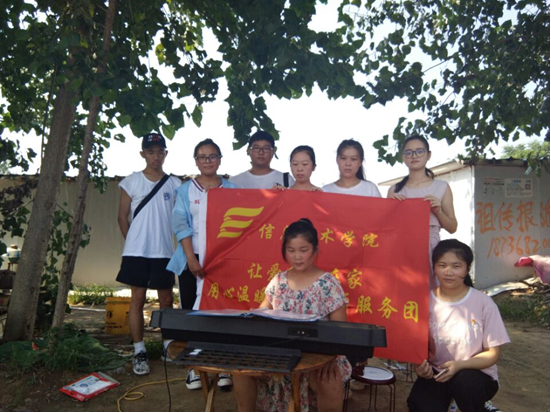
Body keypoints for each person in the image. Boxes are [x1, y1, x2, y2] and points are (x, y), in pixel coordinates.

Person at [232, 218, 351, 412]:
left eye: (303, 250)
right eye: (291, 250)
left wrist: (331, 356)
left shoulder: (328, 284)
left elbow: (340, 330)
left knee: (329, 380)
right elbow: (263, 311)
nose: (297, 256)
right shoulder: (278, 281)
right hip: (279, 353)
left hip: (318, 355)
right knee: (241, 370)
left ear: (315, 250)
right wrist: (253, 315)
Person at [407, 239, 510, 412]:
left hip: (475, 374)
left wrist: (459, 365)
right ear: (434, 267)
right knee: (418, 404)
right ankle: (450, 401)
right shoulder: (424, 302)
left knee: (465, 385)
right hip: (438, 372)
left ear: (467, 269)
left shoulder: (483, 303)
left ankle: (480, 405)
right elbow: (417, 345)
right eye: (442, 265)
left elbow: (492, 354)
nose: (448, 272)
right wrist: (419, 366)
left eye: (456, 266)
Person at [167, 138, 237, 390]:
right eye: (202, 157)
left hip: (222, 260)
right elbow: (180, 225)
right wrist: (190, 258)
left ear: (220, 159)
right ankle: (194, 367)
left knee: (223, 311)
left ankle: (223, 365)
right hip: (192, 257)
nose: (208, 161)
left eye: (212, 156)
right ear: (196, 161)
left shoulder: (232, 189)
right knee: (191, 311)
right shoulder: (185, 190)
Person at [116, 132, 182, 376]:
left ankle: (167, 345)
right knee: (137, 299)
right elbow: (122, 216)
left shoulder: (175, 184)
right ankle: (139, 350)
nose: (156, 156)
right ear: (142, 154)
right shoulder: (131, 181)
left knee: (166, 300)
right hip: (136, 253)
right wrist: (133, 241)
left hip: (163, 250)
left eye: (160, 152)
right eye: (151, 152)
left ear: (166, 154)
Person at [387, 135, 457, 289]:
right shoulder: (395, 190)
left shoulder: (441, 187)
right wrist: (392, 208)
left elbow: (452, 227)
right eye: (408, 152)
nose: (414, 156)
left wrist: (438, 211)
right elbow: (387, 229)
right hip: (402, 248)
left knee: (432, 293)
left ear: (428, 155)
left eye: (419, 151)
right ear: (403, 157)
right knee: (404, 291)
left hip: (431, 247)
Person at [229, 130, 295, 189]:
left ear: (273, 152)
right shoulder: (234, 182)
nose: (261, 152)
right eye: (256, 148)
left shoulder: (286, 180)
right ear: (249, 151)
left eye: (266, 148)